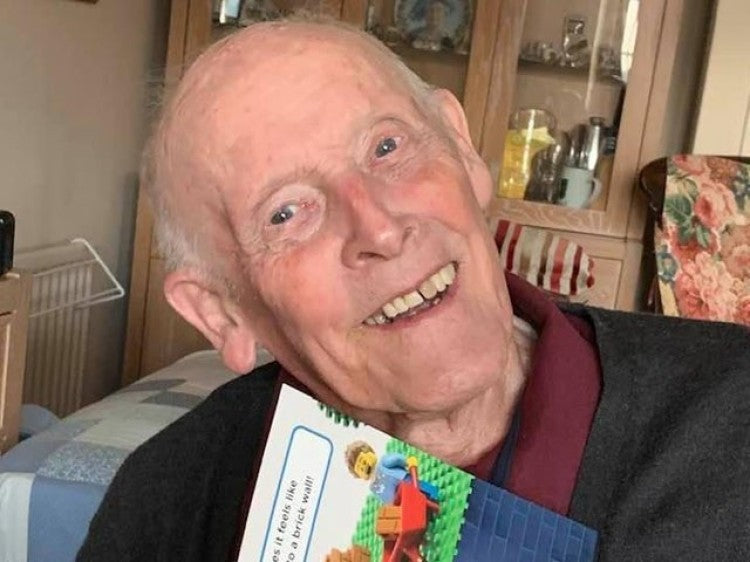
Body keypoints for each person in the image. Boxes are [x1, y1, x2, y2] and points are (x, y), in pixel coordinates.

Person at [78, 16, 750, 562]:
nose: (379, 227)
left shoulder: (734, 404)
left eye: (387, 148)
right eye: (286, 213)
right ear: (223, 313)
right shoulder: (167, 503)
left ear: (460, 147)